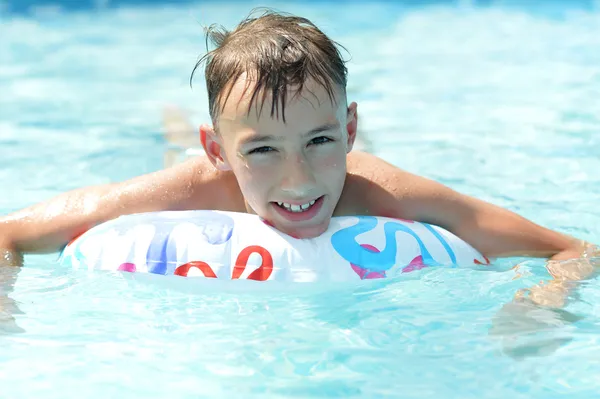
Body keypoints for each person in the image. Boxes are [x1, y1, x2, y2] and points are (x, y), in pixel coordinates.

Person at [0, 10, 596, 307]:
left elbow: (574, 249)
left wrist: (539, 307)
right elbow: (9, 235)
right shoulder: (193, 181)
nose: (299, 179)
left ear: (350, 129)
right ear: (221, 152)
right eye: (261, 150)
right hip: (195, 160)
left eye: (321, 140)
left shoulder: (380, 190)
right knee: (171, 140)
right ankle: (176, 124)